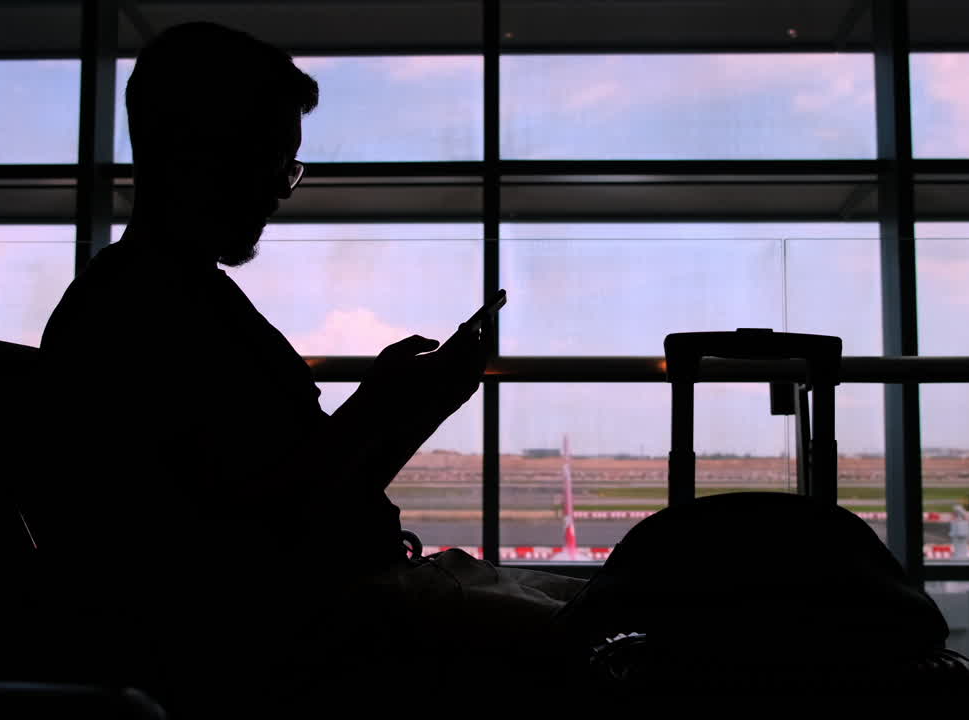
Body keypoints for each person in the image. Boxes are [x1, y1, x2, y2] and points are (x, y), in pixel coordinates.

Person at [34, 21, 582, 711]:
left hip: (327, 618)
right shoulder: (150, 314)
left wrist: (409, 410)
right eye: (271, 161)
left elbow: (309, 495)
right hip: (313, 640)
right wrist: (377, 408)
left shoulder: (150, 301)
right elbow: (253, 543)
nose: (282, 190)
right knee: (607, 630)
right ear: (197, 151)